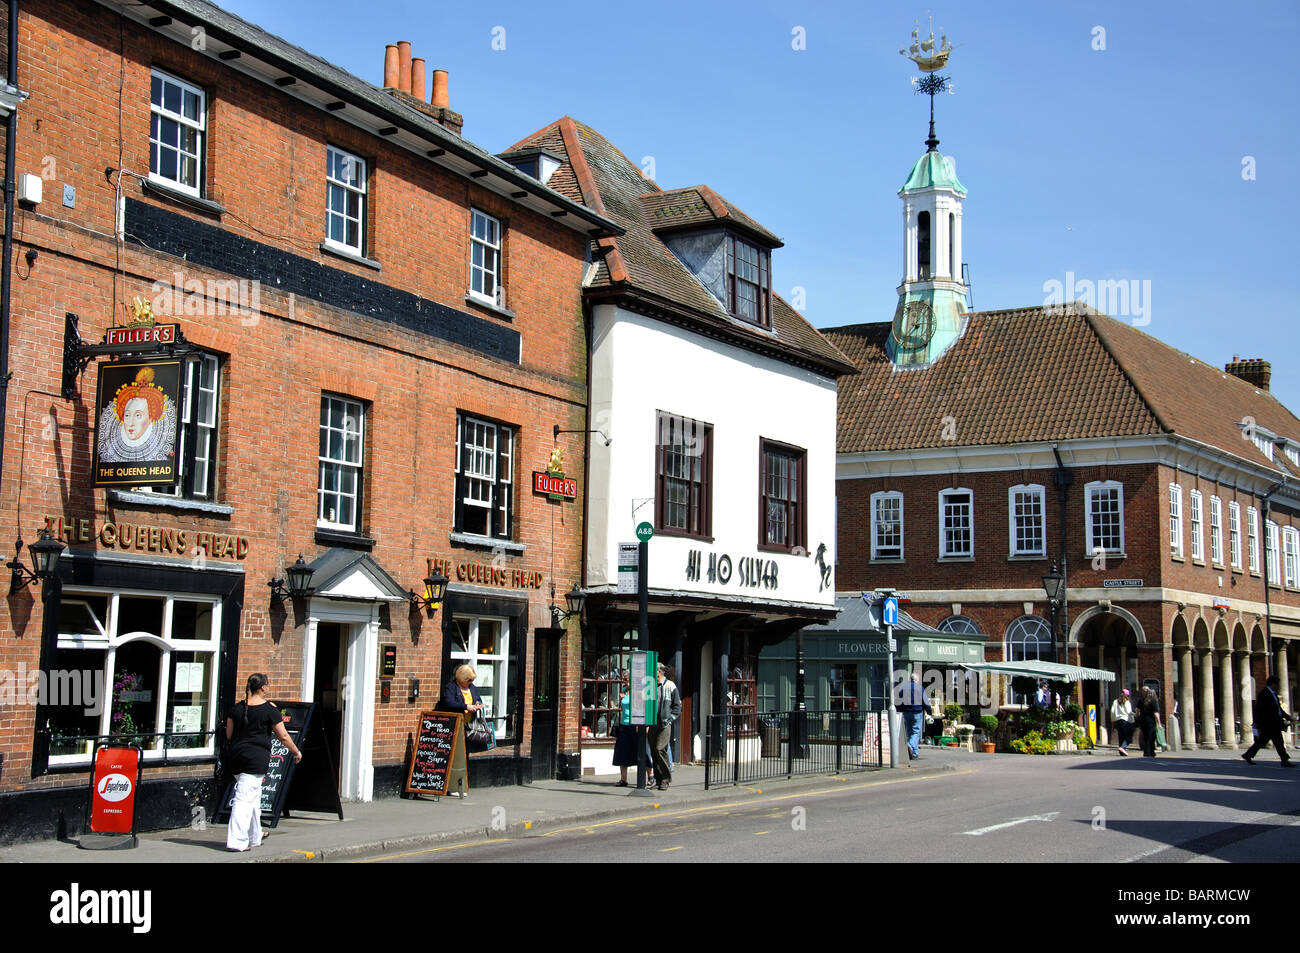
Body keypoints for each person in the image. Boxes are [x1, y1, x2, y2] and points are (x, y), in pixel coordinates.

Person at [225, 673, 301, 852]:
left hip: (236, 758)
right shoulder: (269, 710)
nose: (269, 687)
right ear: (263, 687)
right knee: (243, 800)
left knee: (253, 798)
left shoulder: (237, 708)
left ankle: (254, 836)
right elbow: (282, 736)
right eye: (268, 684)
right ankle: (236, 842)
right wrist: (296, 751)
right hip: (255, 760)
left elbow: (229, 735)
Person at [97, 365, 178, 463]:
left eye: (138, 415)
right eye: (127, 415)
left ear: (150, 418)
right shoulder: (110, 450)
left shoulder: (161, 454)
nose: (131, 423)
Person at [1241, 676, 1294, 766]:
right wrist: (1257, 722)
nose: (1278, 686)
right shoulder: (1264, 694)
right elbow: (1259, 709)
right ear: (1273, 684)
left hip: (1274, 723)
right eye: (1277, 684)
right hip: (1268, 723)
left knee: (1265, 742)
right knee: (1277, 742)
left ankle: (1248, 755)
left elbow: (1278, 709)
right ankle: (1284, 760)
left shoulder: (1274, 694)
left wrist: (1288, 717)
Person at [649, 663, 680, 790]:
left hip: (664, 722)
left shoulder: (670, 685)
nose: (653, 675)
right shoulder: (651, 685)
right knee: (653, 751)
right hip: (652, 722)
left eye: (654, 673)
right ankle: (658, 779)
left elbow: (677, 706)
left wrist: (670, 719)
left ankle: (666, 778)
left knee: (659, 749)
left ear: (660, 672)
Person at [611, 675, 638, 786]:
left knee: (641, 752)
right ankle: (623, 779)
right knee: (622, 752)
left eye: (627, 681)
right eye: (625, 681)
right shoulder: (623, 691)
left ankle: (650, 776)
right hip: (624, 724)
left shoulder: (638, 692)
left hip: (635, 725)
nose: (625, 683)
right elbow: (619, 706)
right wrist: (619, 700)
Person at [898, 672, 930, 761]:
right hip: (917, 712)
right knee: (916, 732)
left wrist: (900, 710)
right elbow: (925, 702)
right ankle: (910, 745)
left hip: (906, 712)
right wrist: (929, 711)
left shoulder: (904, 688)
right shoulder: (920, 688)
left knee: (909, 732)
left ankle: (914, 754)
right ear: (916, 680)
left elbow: (899, 700)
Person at [1137, 686, 1162, 758]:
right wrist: (1159, 723)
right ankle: (1149, 752)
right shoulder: (1153, 701)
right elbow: (1156, 713)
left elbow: (1137, 711)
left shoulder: (1141, 700)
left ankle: (1148, 752)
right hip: (1150, 721)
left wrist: (1138, 717)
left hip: (1143, 720)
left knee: (1145, 736)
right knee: (1151, 736)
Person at [1109, 689, 1135, 756]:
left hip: (1118, 720)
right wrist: (1136, 715)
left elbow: (1112, 711)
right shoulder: (1127, 702)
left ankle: (1121, 752)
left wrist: (1112, 720)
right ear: (1127, 695)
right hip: (1125, 720)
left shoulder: (1115, 701)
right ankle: (1123, 747)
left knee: (1121, 736)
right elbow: (1129, 712)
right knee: (1128, 737)